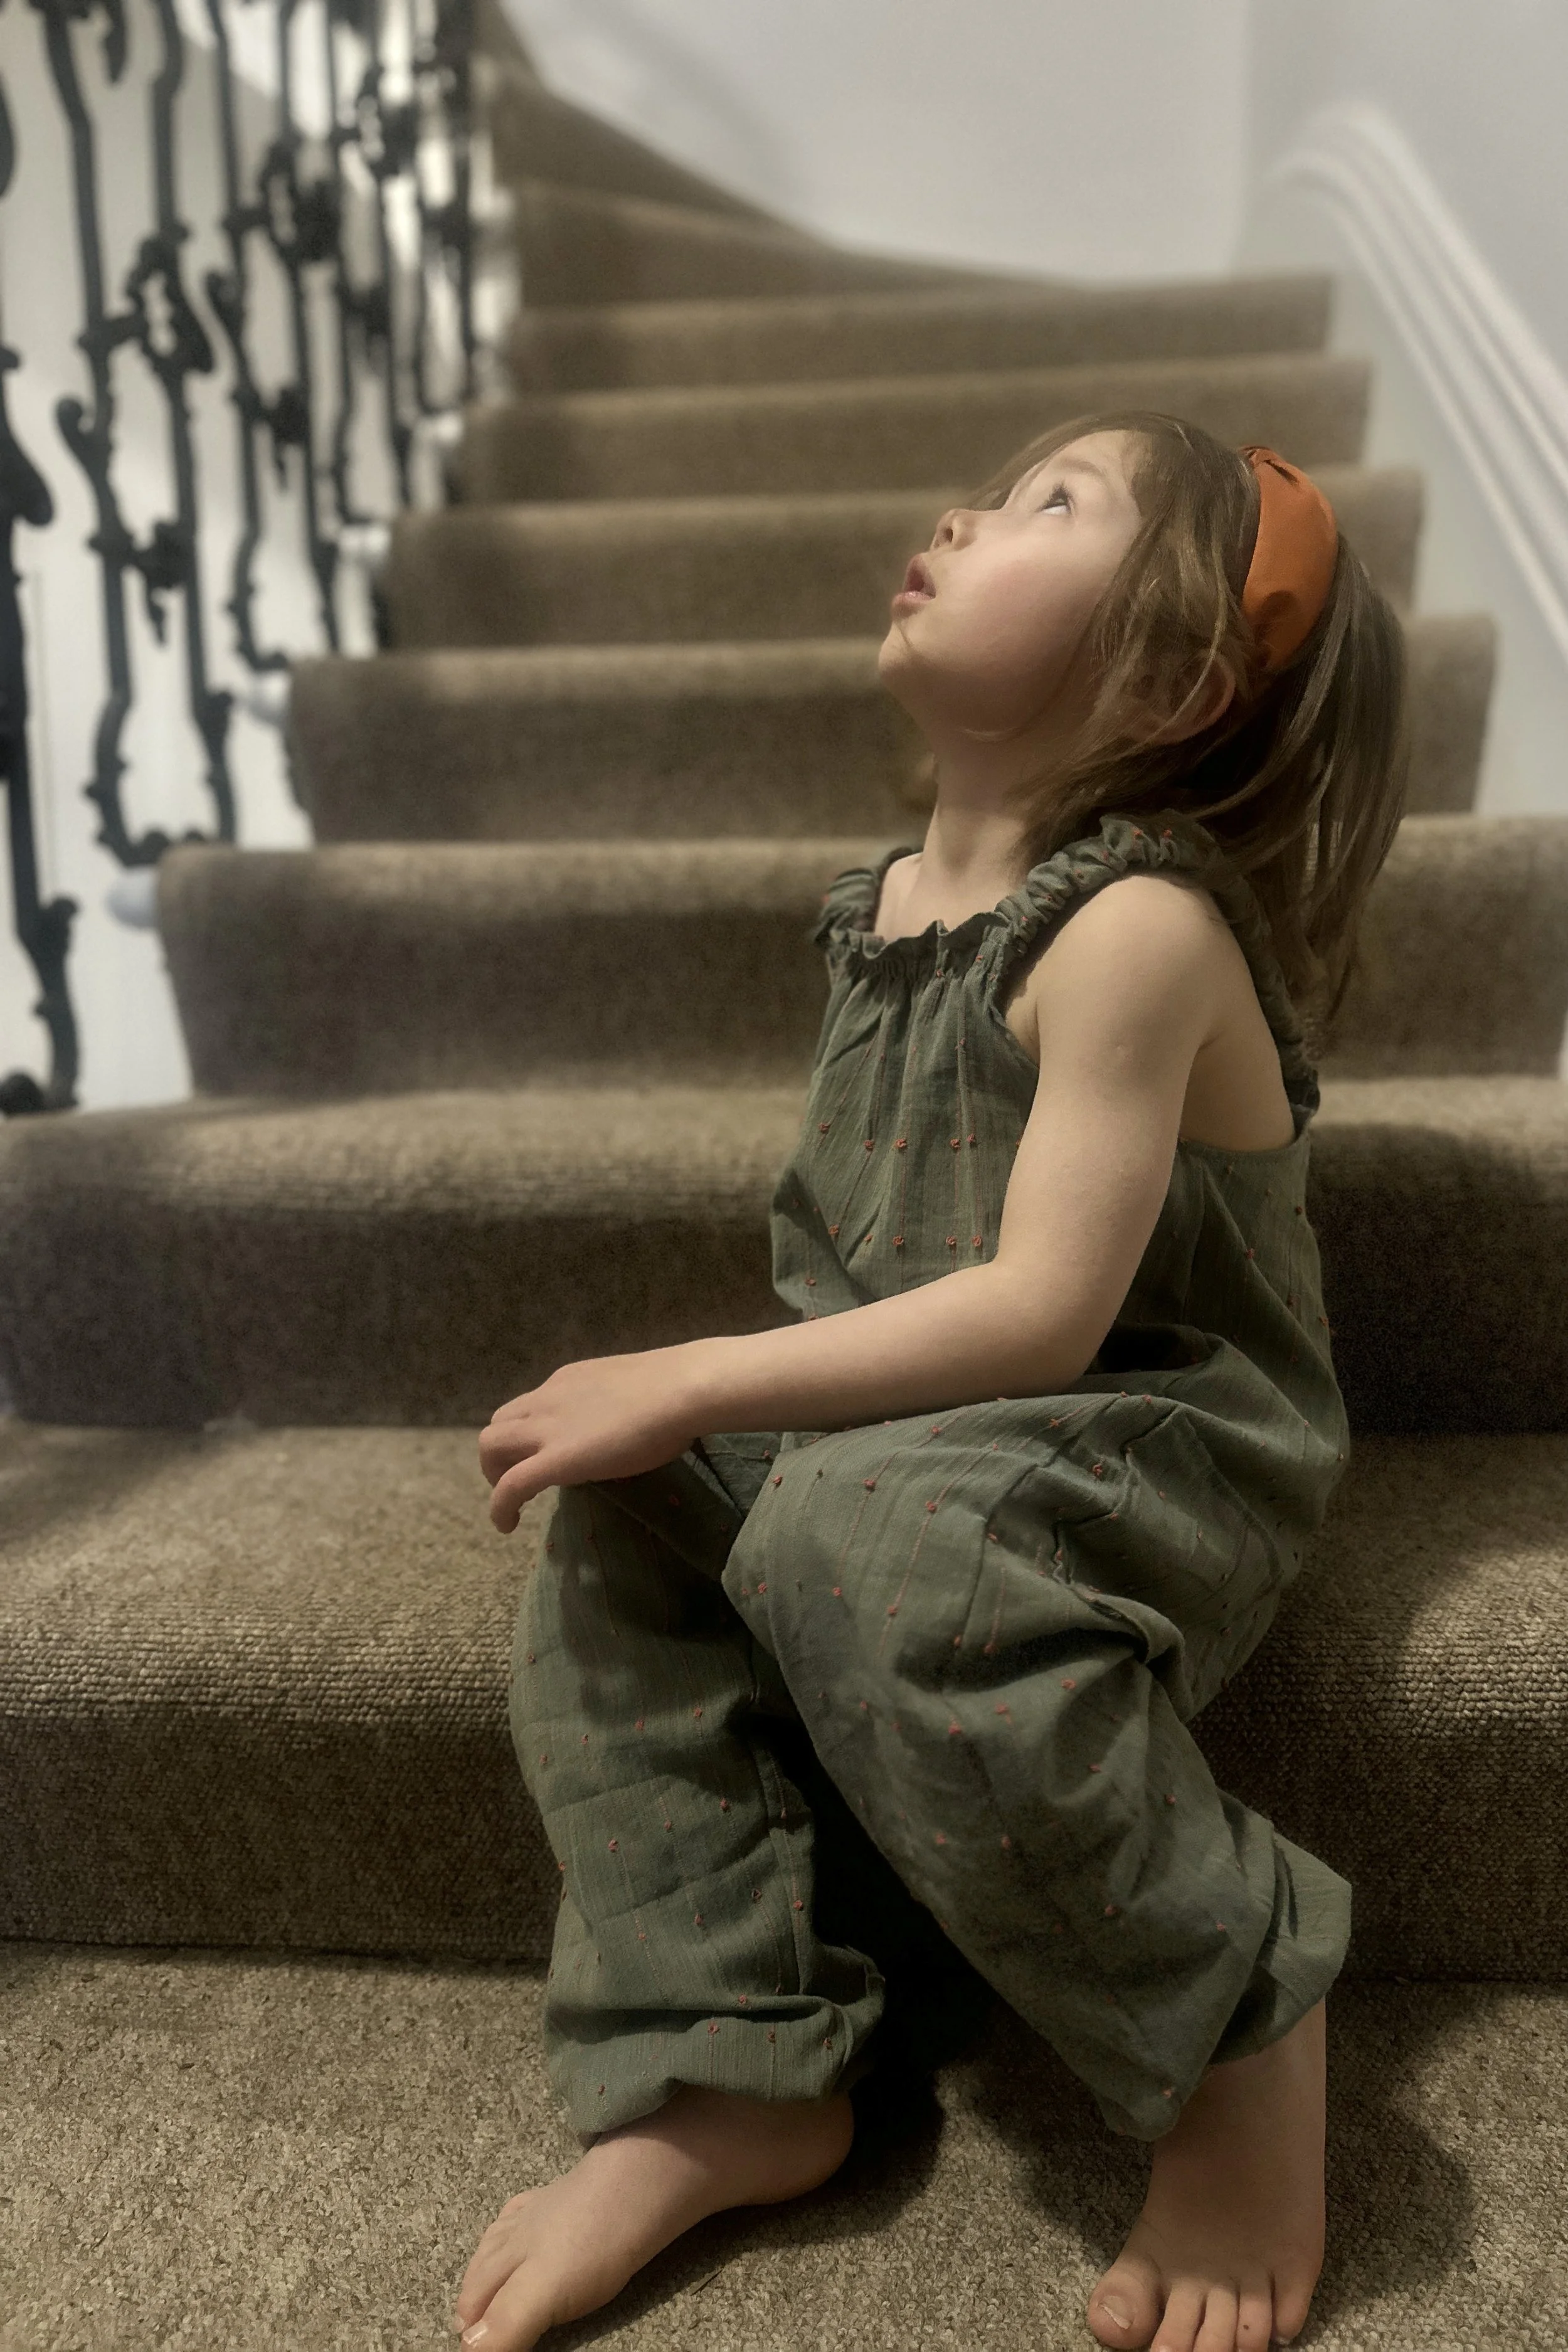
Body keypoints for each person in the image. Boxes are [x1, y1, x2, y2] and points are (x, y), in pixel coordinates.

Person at [451, 409, 1408, 2352]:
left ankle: (1238, 2029)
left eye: (1054, 504)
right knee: (630, 1513)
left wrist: (706, 1369)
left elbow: (1047, 1312)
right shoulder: (879, 907)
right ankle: (736, 2059)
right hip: (903, 1426)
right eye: (993, 484)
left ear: (1171, 672)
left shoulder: (1133, 924)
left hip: (1138, 1424)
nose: (963, 507)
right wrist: (701, 1423)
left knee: (874, 1556)